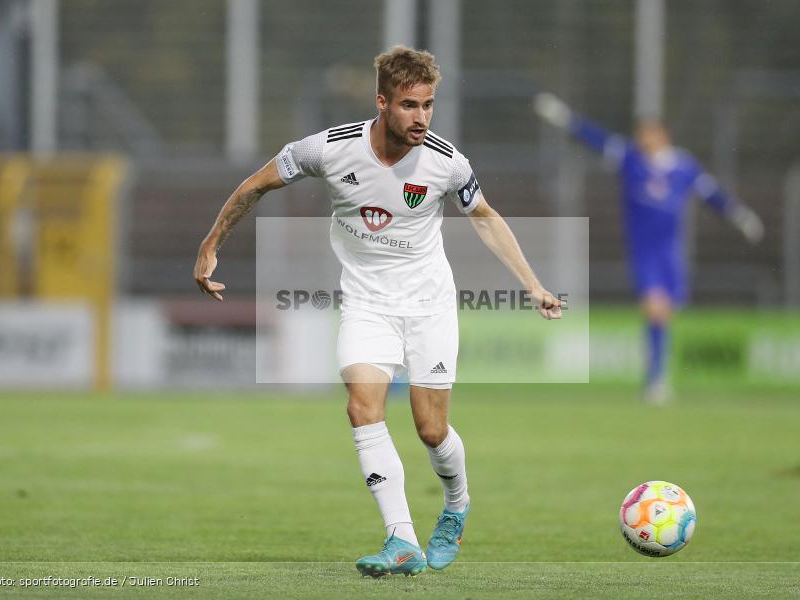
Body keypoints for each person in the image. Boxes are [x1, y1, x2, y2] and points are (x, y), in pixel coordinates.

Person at [194, 46, 564, 578]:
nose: (422, 118)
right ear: (382, 102)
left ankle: (456, 505)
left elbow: (484, 217)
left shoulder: (446, 161)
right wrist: (211, 244)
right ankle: (402, 539)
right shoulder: (329, 149)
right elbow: (255, 184)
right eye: (411, 106)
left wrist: (533, 285)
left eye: (429, 105)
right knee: (362, 407)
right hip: (366, 303)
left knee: (431, 430)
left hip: (429, 306)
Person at [534, 93, 763, 404]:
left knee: (665, 313)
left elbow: (711, 195)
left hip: (671, 250)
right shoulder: (630, 159)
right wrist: (565, 117)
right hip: (644, 250)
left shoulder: (683, 166)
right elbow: (597, 139)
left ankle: (658, 375)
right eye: (640, 133)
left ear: (663, 134)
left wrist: (740, 215)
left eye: (649, 132)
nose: (643, 138)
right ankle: (656, 381)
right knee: (654, 307)